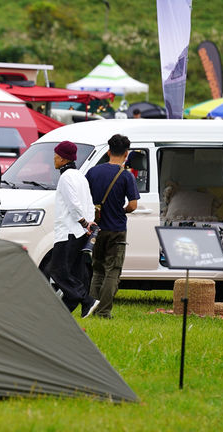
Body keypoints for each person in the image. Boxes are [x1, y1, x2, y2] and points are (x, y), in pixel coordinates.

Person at [85, 134, 140, 318]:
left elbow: (85, 198)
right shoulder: (126, 176)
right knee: (112, 271)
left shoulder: (93, 172)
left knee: (97, 269)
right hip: (116, 229)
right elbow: (133, 205)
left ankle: (90, 306)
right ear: (126, 154)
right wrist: (121, 210)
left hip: (96, 228)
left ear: (108, 151)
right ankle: (103, 312)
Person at [47, 141, 100, 318]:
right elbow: (89, 203)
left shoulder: (66, 177)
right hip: (79, 232)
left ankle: (87, 300)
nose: (53, 159)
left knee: (58, 271)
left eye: (55, 155)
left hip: (68, 231)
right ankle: (63, 315)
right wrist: (89, 224)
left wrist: (84, 223)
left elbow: (73, 204)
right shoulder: (80, 176)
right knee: (73, 272)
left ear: (62, 158)